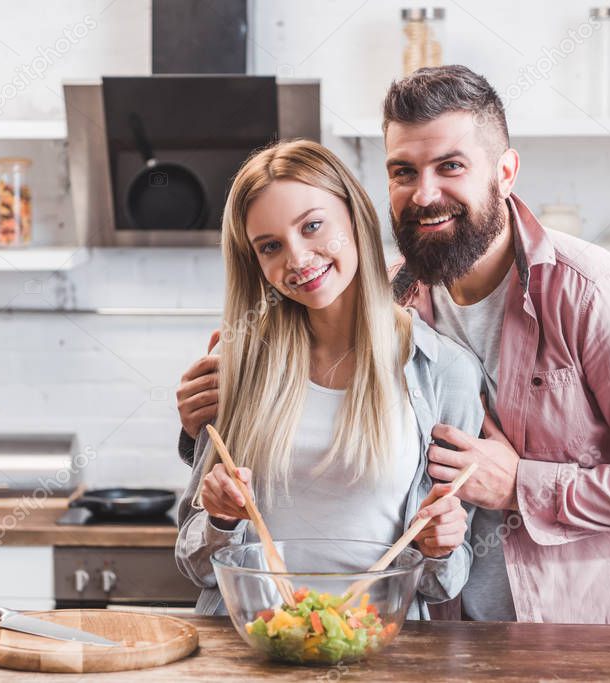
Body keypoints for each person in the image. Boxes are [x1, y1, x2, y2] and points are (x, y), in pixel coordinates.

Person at [177, 66, 610, 624]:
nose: (425, 193)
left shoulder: (586, 291)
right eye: (403, 171)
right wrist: (205, 417)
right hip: (452, 638)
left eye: (450, 166)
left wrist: (522, 484)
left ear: (505, 172)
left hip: (582, 636)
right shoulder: (395, 294)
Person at [174, 139, 487, 618]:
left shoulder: (445, 372)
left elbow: (439, 585)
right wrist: (218, 518)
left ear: (354, 217)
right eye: (271, 246)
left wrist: (441, 547)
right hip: (254, 647)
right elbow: (197, 565)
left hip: (374, 647)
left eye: (313, 226)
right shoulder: (239, 362)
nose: (297, 259)